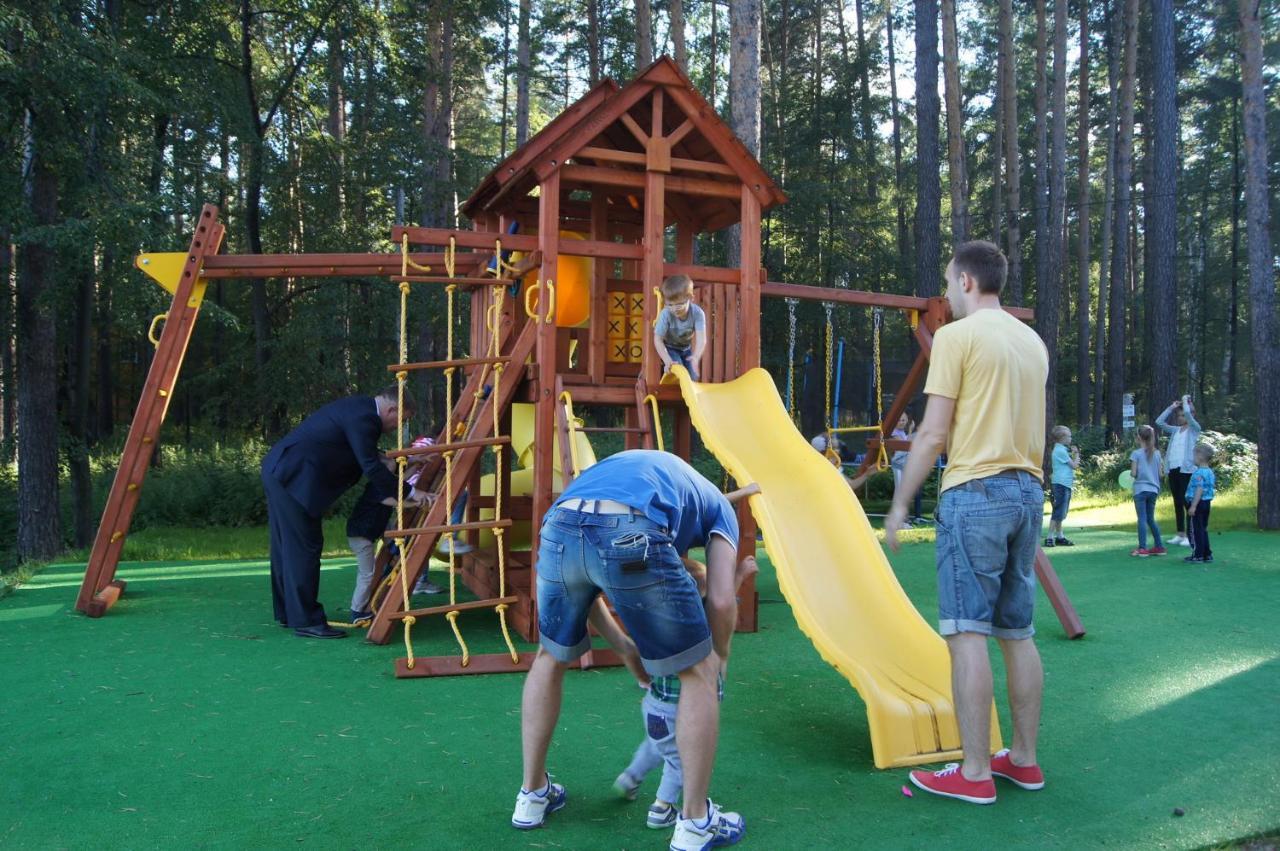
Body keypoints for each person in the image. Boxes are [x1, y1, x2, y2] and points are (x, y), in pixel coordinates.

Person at [511, 449, 757, 849]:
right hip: (633, 528)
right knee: (700, 670)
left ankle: (531, 795)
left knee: (549, 656)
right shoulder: (719, 509)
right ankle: (696, 823)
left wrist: (624, 647)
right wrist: (721, 656)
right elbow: (723, 602)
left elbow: (589, 578)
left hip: (560, 521)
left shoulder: (649, 473)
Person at [885, 240, 1049, 805]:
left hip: (974, 491)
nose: (949, 296)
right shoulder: (1032, 341)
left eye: (950, 285)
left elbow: (932, 433)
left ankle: (975, 772)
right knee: (1018, 633)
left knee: (966, 633)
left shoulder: (957, 336)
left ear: (967, 283)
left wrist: (901, 502)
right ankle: (1023, 761)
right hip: (1030, 493)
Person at [613, 555, 759, 830]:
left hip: (654, 706)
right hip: (677, 710)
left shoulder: (656, 619)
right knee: (681, 761)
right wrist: (738, 577)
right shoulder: (695, 628)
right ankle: (662, 807)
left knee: (657, 746)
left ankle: (630, 778)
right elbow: (719, 610)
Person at [261, 386, 413, 639]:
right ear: (392, 409)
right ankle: (307, 620)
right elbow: (370, 467)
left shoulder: (359, 408)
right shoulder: (366, 418)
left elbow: (354, 448)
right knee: (304, 547)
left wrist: (386, 460)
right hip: (293, 477)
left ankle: (291, 612)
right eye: (402, 419)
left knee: (286, 546)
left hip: (283, 471)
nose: (399, 426)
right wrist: (408, 493)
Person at [1156, 397, 1202, 547]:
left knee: (1187, 503)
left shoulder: (1194, 429)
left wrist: (1185, 401)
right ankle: (1180, 533)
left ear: (1191, 415)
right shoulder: (1176, 431)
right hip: (1173, 469)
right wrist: (1171, 407)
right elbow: (1159, 422)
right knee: (1177, 502)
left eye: (1183, 415)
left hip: (1186, 471)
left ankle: (1190, 536)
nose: (1180, 418)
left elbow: (1189, 415)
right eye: (1179, 415)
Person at [654, 274, 706, 381]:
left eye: (679, 305)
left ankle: (687, 396)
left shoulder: (697, 313)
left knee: (694, 376)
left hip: (686, 349)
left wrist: (696, 356)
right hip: (669, 348)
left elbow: (702, 339)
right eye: (669, 304)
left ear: (690, 298)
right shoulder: (666, 314)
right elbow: (658, 339)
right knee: (679, 369)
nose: (674, 309)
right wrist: (667, 359)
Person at [1129, 425, 1167, 557]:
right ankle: (1159, 546)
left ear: (1139, 437)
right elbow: (1161, 474)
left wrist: (1132, 474)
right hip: (1154, 490)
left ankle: (1142, 548)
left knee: (1142, 519)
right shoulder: (1156, 453)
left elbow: (1134, 473)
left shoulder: (1136, 454)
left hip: (1140, 489)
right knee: (1151, 518)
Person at [1044, 426, 1080, 547]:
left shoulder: (1061, 450)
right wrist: (1076, 454)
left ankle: (1060, 536)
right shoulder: (1060, 451)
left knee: (1061, 512)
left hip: (1064, 484)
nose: (1071, 438)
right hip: (1061, 484)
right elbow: (1074, 465)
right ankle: (1050, 536)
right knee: (1058, 511)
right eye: (1069, 436)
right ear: (1062, 438)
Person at [890, 413, 926, 524]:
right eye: (899, 420)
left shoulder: (902, 432)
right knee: (900, 491)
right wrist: (911, 431)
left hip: (905, 464)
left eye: (904, 420)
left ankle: (904, 518)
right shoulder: (894, 433)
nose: (901, 422)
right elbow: (904, 445)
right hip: (898, 465)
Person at [1185, 443, 1217, 564]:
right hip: (1206, 503)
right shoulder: (1209, 472)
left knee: (1195, 530)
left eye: (1194, 454)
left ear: (1200, 456)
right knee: (1203, 528)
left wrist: (1193, 505)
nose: (1193, 457)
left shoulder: (1198, 474)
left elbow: (1199, 489)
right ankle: (1207, 553)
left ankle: (1197, 554)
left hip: (1197, 503)